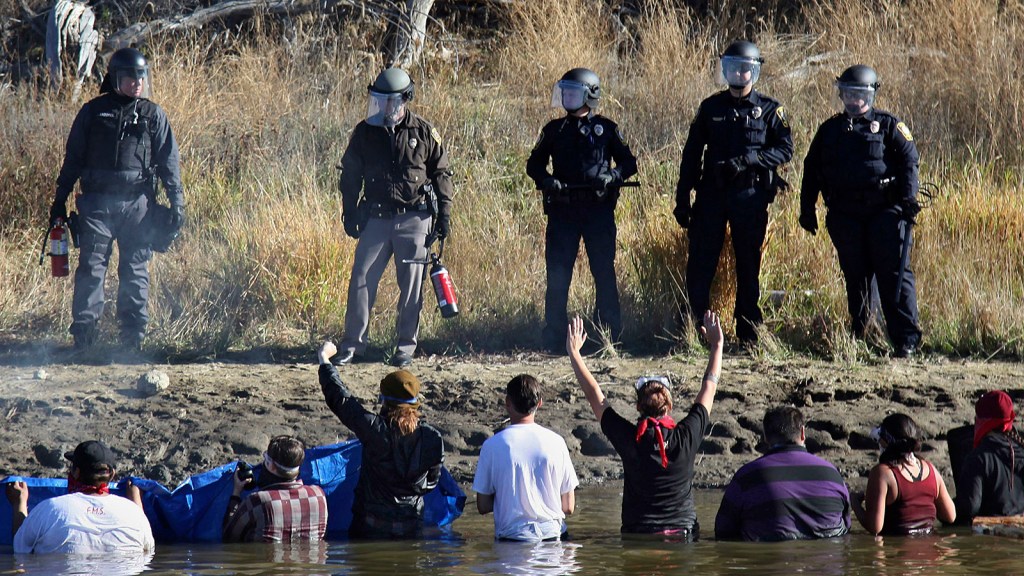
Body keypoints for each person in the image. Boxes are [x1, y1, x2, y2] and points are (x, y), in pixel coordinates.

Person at [50, 47, 185, 350]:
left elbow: (169, 164)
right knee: (91, 267)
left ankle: (132, 341)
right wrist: (59, 200)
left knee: (135, 269)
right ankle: (84, 338)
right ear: (115, 78)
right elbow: (73, 159)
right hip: (96, 206)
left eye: (141, 76)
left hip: (138, 207)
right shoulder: (92, 112)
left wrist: (178, 204)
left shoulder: (154, 115)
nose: (137, 82)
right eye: (130, 77)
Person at [673, 40, 794, 344]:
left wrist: (750, 160)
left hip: (749, 196)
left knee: (748, 263)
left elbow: (785, 148)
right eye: (733, 68)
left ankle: (749, 329)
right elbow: (691, 155)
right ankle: (695, 324)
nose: (739, 74)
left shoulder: (770, 110)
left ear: (755, 72)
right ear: (724, 69)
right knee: (701, 261)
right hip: (711, 195)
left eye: (745, 69)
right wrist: (682, 197)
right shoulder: (711, 107)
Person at [799, 64, 923, 357]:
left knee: (895, 275)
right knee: (856, 277)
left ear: (872, 95)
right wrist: (807, 209)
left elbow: (909, 161)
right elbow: (811, 169)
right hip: (845, 216)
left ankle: (906, 340)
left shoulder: (889, 125)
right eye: (849, 94)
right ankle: (861, 333)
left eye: (861, 94)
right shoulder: (829, 130)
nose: (855, 101)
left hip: (886, 213)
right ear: (841, 95)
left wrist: (909, 199)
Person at [335, 67, 454, 368]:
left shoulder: (424, 132)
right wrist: (349, 211)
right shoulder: (364, 132)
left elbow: (442, 174)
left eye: (391, 101)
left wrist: (444, 216)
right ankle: (352, 345)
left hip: (415, 218)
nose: (385, 107)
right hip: (375, 217)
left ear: (405, 100)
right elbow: (350, 174)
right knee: (361, 279)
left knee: (412, 285)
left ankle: (404, 347)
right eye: (380, 100)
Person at [567, 310, 722, 540]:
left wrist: (574, 354)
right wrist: (717, 345)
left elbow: (595, 396)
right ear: (669, 406)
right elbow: (709, 386)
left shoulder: (630, 438)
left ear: (638, 407)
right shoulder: (687, 434)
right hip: (683, 536)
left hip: (637, 535)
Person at [526, 67, 638, 352]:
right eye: (564, 91)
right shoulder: (554, 130)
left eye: (573, 92)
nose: (566, 97)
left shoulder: (607, 129)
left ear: (589, 95)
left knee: (603, 273)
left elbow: (629, 163)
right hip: (563, 213)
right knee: (558, 276)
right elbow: (533, 165)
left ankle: (609, 337)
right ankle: (554, 337)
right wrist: (548, 180)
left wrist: (612, 176)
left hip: (598, 212)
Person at [317, 341, 444, 538]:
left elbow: (340, 399)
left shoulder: (374, 430)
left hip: (370, 528)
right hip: (412, 528)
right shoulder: (432, 438)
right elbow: (431, 483)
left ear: (384, 400)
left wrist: (325, 360)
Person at [714, 406, 852, 541]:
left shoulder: (747, 477)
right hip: (826, 559)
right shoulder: (832, 474)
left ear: (766, 438)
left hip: (767, 559)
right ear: (803, 433)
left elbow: (723, 531)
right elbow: (846, 526)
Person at [473, 374, 579, 541]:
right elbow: (568, 507)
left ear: (507, 402)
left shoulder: (492, 446)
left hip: (512, 540)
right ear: (540, 403)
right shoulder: (557, 442)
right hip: (554, 538)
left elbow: (483, 506)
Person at [5, 440, 155, 554]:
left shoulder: (51, 509)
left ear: (76, 472)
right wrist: (136, 504)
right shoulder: (133, 513)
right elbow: (148, 550)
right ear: (112, 475)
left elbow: (20, 547)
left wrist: (19, 503)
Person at [851, 413, 955, 535]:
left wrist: (855, 503)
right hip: (931, 548)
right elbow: (950, 516)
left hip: (897, 550)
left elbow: (875, 527)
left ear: (885, 441)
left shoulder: (883, 473)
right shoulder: (931, 470)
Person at [222, 435, 328, 542]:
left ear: (271, 465)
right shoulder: (318, 495)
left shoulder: (258, 500)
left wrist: (236, 493)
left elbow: (229, 536)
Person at [954, 390, 1024, 523]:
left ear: (982, 421)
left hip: (994, 535)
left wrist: (944, 509)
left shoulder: (978, 458)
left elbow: (969, 508)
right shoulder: (1021, 448)